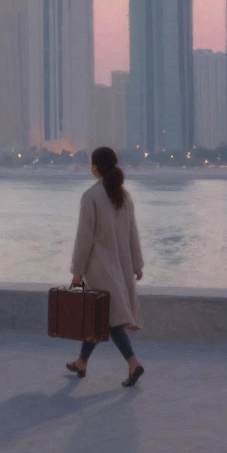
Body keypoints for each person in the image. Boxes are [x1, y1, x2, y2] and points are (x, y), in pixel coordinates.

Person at [65, 146, 145, 387]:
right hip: (121, 267)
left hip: (100, 269)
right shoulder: (124, 195)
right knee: (98, 316)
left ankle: (133, 363)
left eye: (92, 163)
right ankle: (81, 362)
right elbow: (133, 232)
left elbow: (84, 238)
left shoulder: (91, 196)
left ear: (96, 167)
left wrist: (78, 272)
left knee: (108, 319)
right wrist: (137, 264)